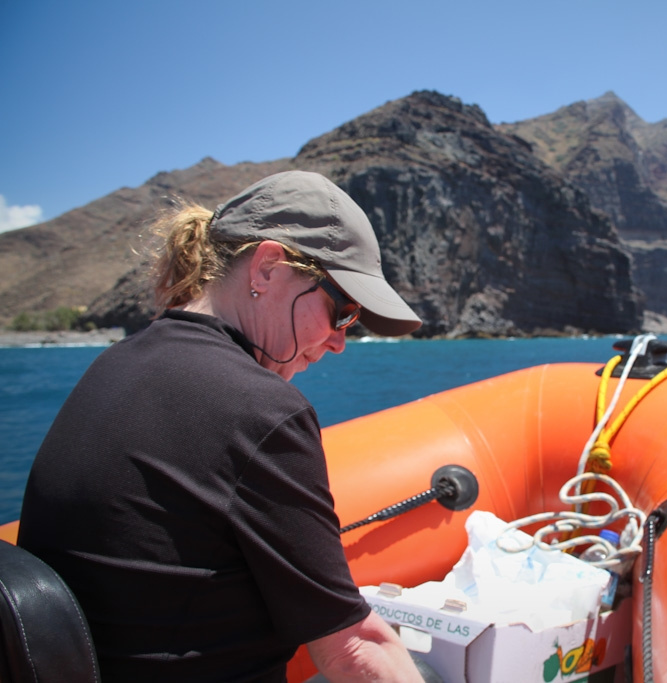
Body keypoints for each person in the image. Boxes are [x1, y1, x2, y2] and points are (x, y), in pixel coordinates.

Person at [17, 170, 426, 682]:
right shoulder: (261, 412)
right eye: (341, 310)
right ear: (267, 269)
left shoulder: (111, 368)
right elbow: (353, 650)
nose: (341, 340)